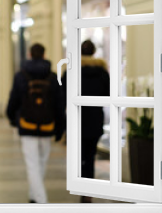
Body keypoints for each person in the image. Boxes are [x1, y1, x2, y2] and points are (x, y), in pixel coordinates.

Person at [6, 43, 65, 203]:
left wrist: (12, 117)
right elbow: (60, 103)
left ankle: (40, 200)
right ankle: (34, 196)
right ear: (44, 55)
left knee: (32, 164)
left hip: (27, 125)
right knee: (42, 162)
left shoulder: (21, 75)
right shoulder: (52, 77)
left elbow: (14, 100)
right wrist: (61, 128)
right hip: (47, 125)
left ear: (30, 55)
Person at [61, 40, 110, 203]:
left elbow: (63, 95)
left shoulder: (71, 71)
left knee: (78, 154)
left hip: (77, 119)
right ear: (94, 52)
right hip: (95, 119)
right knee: (90, 156)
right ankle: (86, 189)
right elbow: (107, 95)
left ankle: (81, 183)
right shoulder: (102, 72)